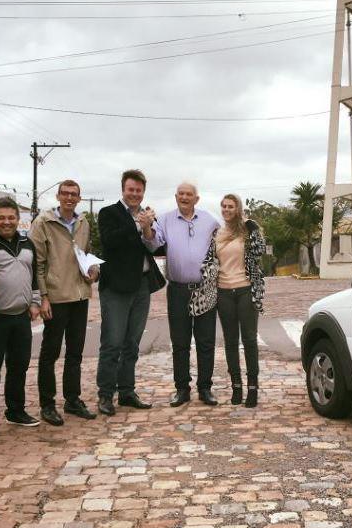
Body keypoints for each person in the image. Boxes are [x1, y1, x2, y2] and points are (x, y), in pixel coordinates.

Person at [140, 182, 220, 407]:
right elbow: (154, 243)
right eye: (181, 194)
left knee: (206, 342)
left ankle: (205, 388)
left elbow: (222, 246)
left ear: (197, 198)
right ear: (176, 197)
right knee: (180, 342)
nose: (185, 197)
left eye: (189, 194)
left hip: (205, 289)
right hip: (178, 290)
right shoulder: (164, 219)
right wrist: (147, 227)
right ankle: (182, 389)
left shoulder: (210, 221)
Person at [96, 169, 166, 416]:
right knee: (112, 343)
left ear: (143, 191)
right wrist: (137, 224)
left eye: (139, 190)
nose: (135, 194)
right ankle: (105, 394)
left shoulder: (147, 215)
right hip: (116, 286)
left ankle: (127, 391)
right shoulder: (109, 213)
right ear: (123, 189)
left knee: (132, 344)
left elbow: (157, 247)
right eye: (131, 189)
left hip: (142, 286)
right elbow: (110, 241)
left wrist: (148, 229)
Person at [30, 179, 98, 426]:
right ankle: (47, 404)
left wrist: (93, 272)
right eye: (65, 193)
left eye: (74, 194)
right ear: (58, 196)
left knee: (75, 353)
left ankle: (72, 399)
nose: (70, 198)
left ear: (79, 198)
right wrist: (43, 297)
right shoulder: (43, 223)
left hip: (80, 295)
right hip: (56, 297)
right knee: (50, 353)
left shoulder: (83, 222)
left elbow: (87, 254)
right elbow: (36, 263)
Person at [0, 197, 42, 437]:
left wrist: (35, 302)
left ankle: (16, 411)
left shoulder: (27, 242)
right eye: (1, 218)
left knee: (19, 366)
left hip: (21, 316)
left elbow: (32, 276)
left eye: (11, 218)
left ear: (18, 219)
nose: (6, 222)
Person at [194, 194, 265, 407]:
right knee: (230, 341)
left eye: (230, 206)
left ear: (238, 208)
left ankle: (252, 388)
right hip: (223, 292)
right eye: (223, 206)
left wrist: (254, 231)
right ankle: (236, 386)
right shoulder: (217, 233)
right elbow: (209, 260)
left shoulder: (247, 229)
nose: (226, 209)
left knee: (250, 340)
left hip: (245, 290)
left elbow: (259, 252)